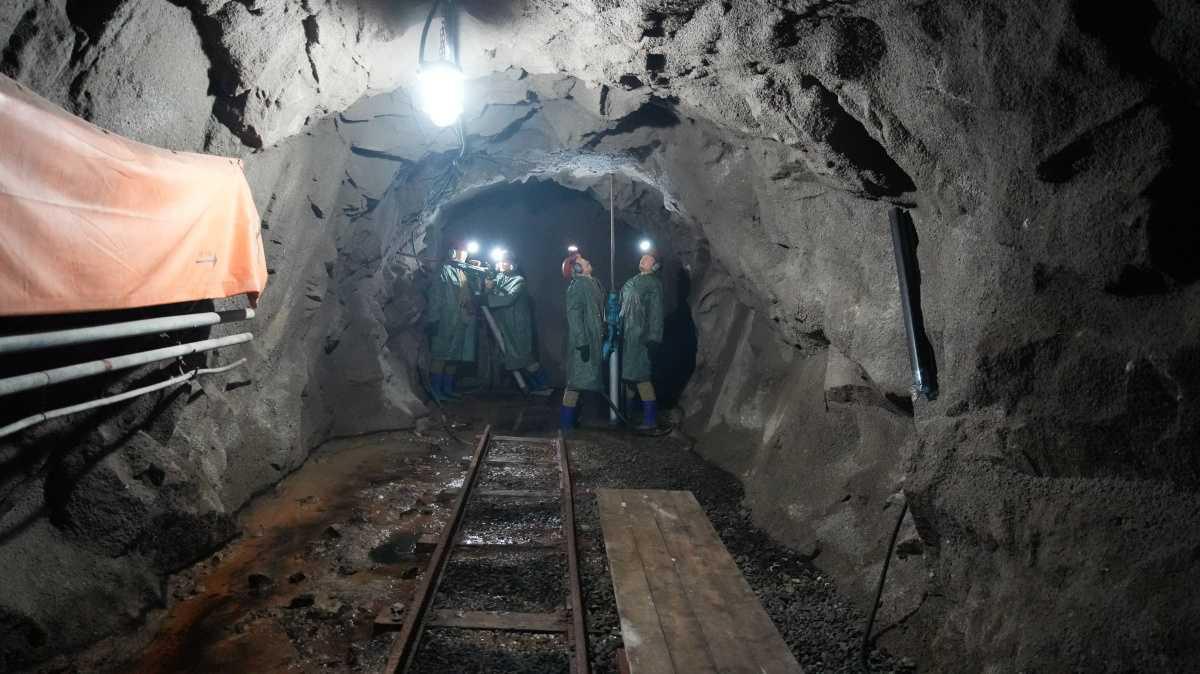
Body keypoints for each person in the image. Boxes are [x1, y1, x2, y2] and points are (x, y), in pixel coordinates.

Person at [484, 258, 552, 395]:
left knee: (525, 359)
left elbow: (508, 298)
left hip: (517, 326)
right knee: (514, 359)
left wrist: (487, 296)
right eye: (501, 261)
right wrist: (488, 288)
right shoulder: (499, 278)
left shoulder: (518, 280)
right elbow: (491, 293)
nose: (502, 264)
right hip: (504, 325)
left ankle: (543, 385)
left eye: (505, 261)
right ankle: (535, 387)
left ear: (513, 265)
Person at [425, 244, 478, 401]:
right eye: (462, 251)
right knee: (441, 355)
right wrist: (434, 318)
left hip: (462, 320)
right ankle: (436, 390)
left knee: (454, 356)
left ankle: (447, 389)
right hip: (446, 319)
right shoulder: (444, 270)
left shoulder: (465, 271)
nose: (465, 254)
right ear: (453, 252)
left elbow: (474, 291)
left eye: (466, 252)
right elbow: (436, 295)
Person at [560, 250, 606, 430]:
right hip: (584, 342)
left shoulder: (592, 283)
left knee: (581, 382)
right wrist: (582, 342)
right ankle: (566, 424)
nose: (586, 260)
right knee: (575, 383)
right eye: (581, 260)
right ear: (577, 268)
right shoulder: (578, 286)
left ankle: (571, 421)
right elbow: (574, 316)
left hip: (593, 338)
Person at [620, 252, 664, 429]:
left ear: (655, 266)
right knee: (629, 377)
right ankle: (626, 416)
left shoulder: (653, 284)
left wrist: (654, 337)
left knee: (642, 377)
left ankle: (650, 420)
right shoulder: (632, 281)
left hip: (642, 338)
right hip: (628, 337)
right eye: (642, 257)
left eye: (648, 259)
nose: (643, 259)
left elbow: (656, 312)